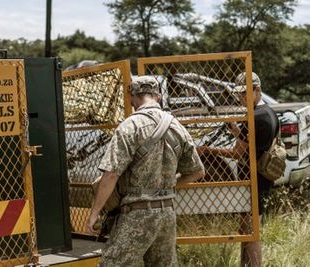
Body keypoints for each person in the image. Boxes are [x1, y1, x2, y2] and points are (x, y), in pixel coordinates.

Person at [87, 76, 205, 267]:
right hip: (167, 212)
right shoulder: (177, 127)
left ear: (133, 98)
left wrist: (95, 213)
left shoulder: (129, 127)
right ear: (157, 96)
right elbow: (197, 172)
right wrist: (170, 185)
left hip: (137, 214)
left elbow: (111, 174)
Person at [198, 72, 279, 267]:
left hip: (255, 179)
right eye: (239, 94)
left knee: (251, 231)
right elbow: (251, 143)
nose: (240, 98)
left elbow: (237, 153)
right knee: (248, 229)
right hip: (262, 177)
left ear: (257, 90)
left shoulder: (254, 118)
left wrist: (206, 150)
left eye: (244, 93)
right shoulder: (268, 112)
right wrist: (234, 128)